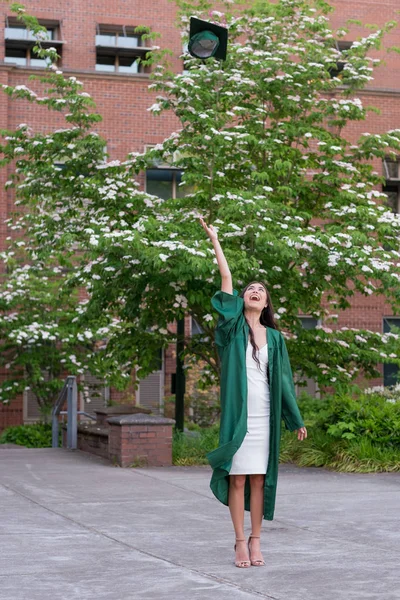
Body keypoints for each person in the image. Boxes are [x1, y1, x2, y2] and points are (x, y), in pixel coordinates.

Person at [200, 217, 307, 569]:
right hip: (239, 417)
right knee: (237, 477)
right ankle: (238, 543)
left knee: (259, 480)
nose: (254, 291)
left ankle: (256, 540)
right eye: (250, 289)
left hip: (265, 418)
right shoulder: (231, 330)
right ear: (243, 300)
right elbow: (226, 281)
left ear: (266, 303)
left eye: (261, 290)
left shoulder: (275, 339)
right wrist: (216, 240)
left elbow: (285, 382)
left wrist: (295, 419)